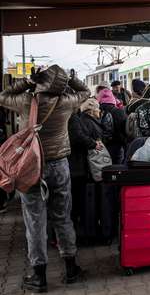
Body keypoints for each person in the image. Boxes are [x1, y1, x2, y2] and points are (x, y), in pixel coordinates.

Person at [0, 65, 90, 292]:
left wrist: (28, 82)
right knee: (62, 217)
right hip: (60, 165)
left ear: (41, 81)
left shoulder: (26, 102)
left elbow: (3, 96)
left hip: (31, 168)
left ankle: (39, 277)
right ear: (61, 85)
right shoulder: (67, 102)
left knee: (35, 222)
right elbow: (86, 92)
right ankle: (71, 269)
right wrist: (71, 79)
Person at [68, 98, 104, 227]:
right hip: (77, 165)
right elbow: (78, 137)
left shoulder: (76, 118)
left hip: (76, 163)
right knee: (77, 197)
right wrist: (94, 143)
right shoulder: (75, 119)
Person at [97, 88, 127, 164]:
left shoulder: (96, 112)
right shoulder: (119, 111)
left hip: (100, 146)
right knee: (117, 168)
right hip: (117, 145)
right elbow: (124, 130)